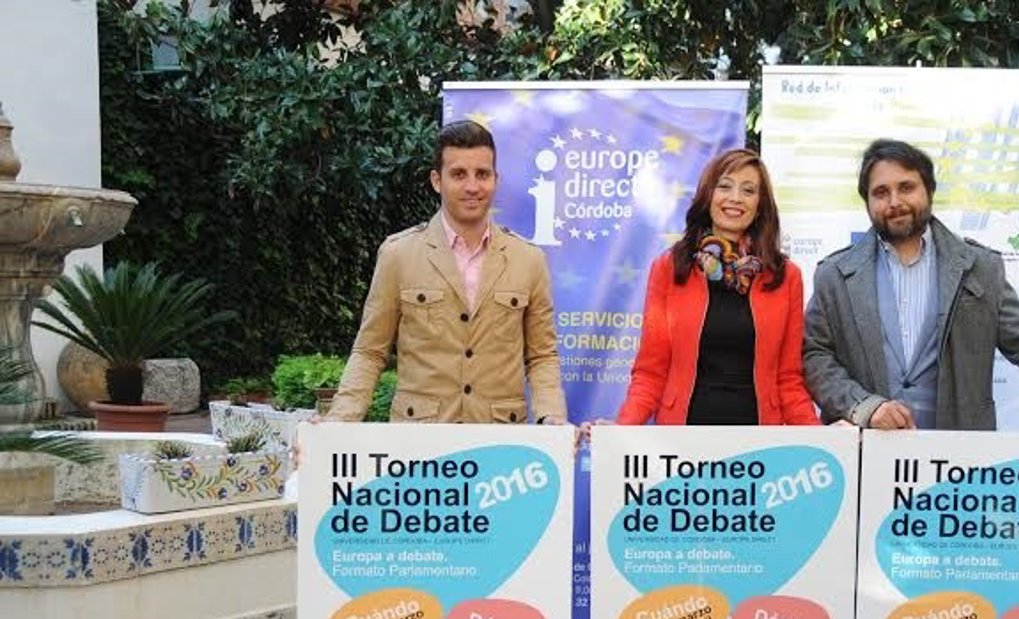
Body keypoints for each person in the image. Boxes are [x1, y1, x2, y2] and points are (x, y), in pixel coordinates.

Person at [803, 138, 1019, 459]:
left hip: (958, 464)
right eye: (881, 192)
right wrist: (865, 407)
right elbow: (815, 355)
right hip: (864, 458)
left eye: (906, 187)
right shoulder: (835, 275)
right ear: (867, 203)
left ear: (929, 190)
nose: (895, 202)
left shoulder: (979, 269)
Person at [325, 119, 568, 426]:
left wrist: (552, 417)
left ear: (496, 179)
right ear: (437, 180)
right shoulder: (398, 254)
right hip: (420, 445)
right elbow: (370, 352)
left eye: (482, 174)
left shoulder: (528, 259)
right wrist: (340, 420)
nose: (472, 186)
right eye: (458, 174)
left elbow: (542, 356)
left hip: (502, 447)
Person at [612, 148, 819, 426]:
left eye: (748, 190)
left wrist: (819, 441)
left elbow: (788, 379)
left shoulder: (785, 276)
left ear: (760, 205)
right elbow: (651, 373)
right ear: (708, 195)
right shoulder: (670, 268)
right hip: (682, 441)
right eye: (724, 186)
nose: (735, 198)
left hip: (761, 447)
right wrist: (620, 431)